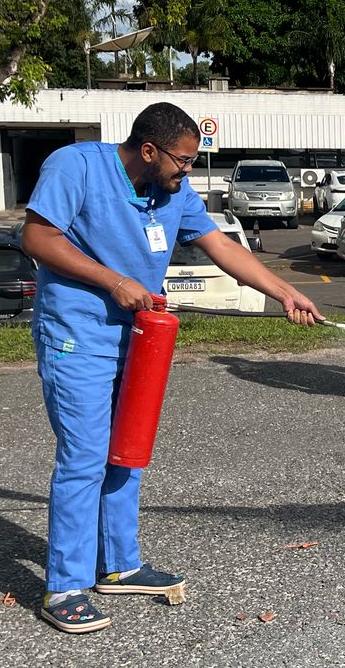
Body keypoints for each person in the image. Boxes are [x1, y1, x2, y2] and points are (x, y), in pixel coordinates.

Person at [20, 102, 324, 634]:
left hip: (138, 338)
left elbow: (220, 246)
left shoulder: (173, 193)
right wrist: (115, 282)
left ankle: (118, 566)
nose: (188, 171)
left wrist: (284, 292)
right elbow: (38, 239)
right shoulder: (76, 166)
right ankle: (65, 586)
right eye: (182, 160)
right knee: (86, 456)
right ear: (148, 150)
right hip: (78, 336)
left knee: (128, 451)